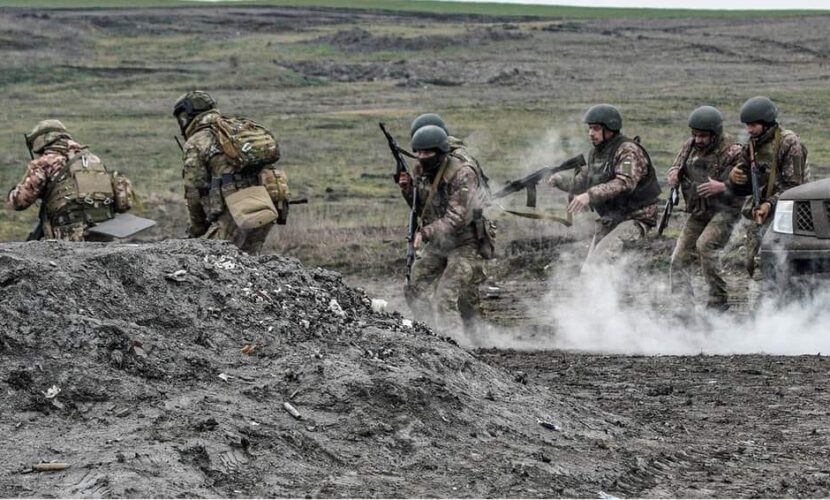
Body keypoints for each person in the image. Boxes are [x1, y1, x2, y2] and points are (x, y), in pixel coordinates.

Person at [398, 125, 489, 338]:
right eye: (418, 152)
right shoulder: (420, 169)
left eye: (427, 153)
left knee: (445, 297)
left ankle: (457, 346)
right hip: (440, 243)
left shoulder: (463, 173)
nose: (421, 157)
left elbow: (456, 218)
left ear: (440, 152)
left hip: (466, 243)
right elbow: (422, 207)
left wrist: (425, 233)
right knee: (413, 286)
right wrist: (407, 189)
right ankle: (431, 335)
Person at [173, 90, 289, 254]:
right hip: (266, 204)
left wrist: (196, 228)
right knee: (248, 262)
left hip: (234, 213)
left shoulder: (197, 141)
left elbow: (194, 192)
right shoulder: (236, 128)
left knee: (215, 263)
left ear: (187, 115)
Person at [547, 104, 660, 268]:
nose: (591, 133)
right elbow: (583, 182)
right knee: (589, 269)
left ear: (610, 129)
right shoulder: (596, 153)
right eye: (589, 129)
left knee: (600, 262)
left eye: (596, 129)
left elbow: (624, 182)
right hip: (612, 218)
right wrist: (558, 180)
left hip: (635, 217)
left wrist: (589, 195)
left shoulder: (628, 151)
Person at [667, 106, 744, 310]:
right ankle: (683, 305)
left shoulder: (733, 151)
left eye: (703, 136)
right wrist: (674, 173)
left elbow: (746, 185)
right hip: (699, 210)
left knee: (705, 246)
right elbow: (677, 164)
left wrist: (724, 186)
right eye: (695, 135)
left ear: (715, 134)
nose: (698, 140)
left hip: (725, 210)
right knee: (679, 256)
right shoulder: (690, 146)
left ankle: (718, 301)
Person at [6, 119, 133, 241]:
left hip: (70, 233)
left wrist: (13, 192)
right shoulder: (92, 158)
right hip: (105, 229)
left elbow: (19, 202)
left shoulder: (46, 162)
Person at [726, 96, 809, 277]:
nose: (749, 129)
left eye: (753, 125)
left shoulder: (790, 143)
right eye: (747, 125)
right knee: (753, 259)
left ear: (766, 122)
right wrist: (733, 176)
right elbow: (743, 177)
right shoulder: (752, 144)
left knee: (781, 261)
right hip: (762, 209)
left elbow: (795, 187)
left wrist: (769, 204)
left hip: (791, 211)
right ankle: (763, 300)